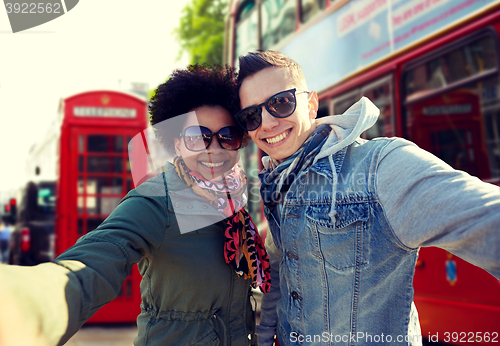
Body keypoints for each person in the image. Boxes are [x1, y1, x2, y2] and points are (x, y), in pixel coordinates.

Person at [234, 50, 500, 346]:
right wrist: (264, 334)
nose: (267, 123)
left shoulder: (379, 165)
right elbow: (279, 276)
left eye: (281, 103)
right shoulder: (280, 181)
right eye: (251, 115)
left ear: (311, 105)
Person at [0, 64, 271, 346]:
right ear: (178, 144)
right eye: (197, 136)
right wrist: (25, 304)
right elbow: (95, 259)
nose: (213, 147)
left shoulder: (233, 201)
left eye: (227, 136)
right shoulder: (155, 201)